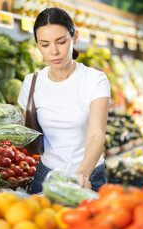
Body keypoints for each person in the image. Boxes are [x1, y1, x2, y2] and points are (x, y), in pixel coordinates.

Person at [17, 7, 110, 194]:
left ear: (74, 38)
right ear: (37, 45)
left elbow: (96, 135)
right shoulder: (31, 82)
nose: (54, 51)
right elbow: (27, 131)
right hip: (46, 176)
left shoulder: (94, 80)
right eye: (44, 44)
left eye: (61, 42)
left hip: (88, 174)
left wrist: (82, 174)